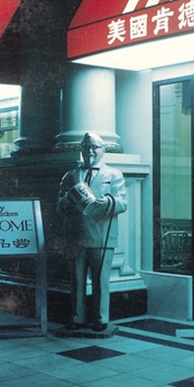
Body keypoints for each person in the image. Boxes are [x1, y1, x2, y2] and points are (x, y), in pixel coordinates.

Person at [57, 132, 127, 332]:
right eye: (86, 147)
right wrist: (65, 203)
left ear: (103, 150)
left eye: (95, 147)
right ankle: (77, 317)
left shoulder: (114, 175)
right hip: (76, 237)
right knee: (77, 280)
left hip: (102, 236)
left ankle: (101, 318)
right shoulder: (70, 176)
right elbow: (59, 206)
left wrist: (106, 202)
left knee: (100, 280)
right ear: (81, 149)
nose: (90, 151)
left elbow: (122, 203)